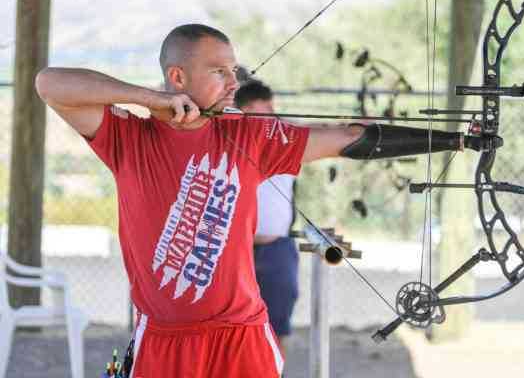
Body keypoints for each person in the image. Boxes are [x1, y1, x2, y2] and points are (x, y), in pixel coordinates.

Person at [35, 23, 478, 378]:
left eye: (235, 71)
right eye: (220, 72)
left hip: (241, 336)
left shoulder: (248, 135)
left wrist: (455, 140)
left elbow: (346, 137)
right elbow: (49, 83)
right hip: (164, 339)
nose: (234, 83)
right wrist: (150, 100)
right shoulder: (129, 139)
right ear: (178, 77)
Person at [235, 80, 298, 357]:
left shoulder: (286, 136)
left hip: (276, 249)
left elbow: (326, 133)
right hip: (236, 251)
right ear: (245, 110)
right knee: (232, 331)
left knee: (275, 331)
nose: (274, 113)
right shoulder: (227, 138)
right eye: (266, 108)